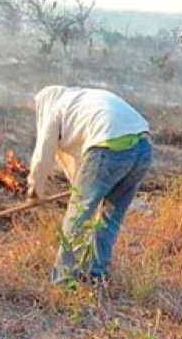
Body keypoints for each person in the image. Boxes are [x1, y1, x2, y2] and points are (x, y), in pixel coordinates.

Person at [26, 85, 152, 285]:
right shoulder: (85, 100)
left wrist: (34, 191)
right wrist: (81, 185)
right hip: (143, 149)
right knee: (111, 217)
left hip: (108, 150)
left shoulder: (55, 109)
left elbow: (43, 154)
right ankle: (96, 276)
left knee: (78, 217)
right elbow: (80, 162)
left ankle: (63, 280)